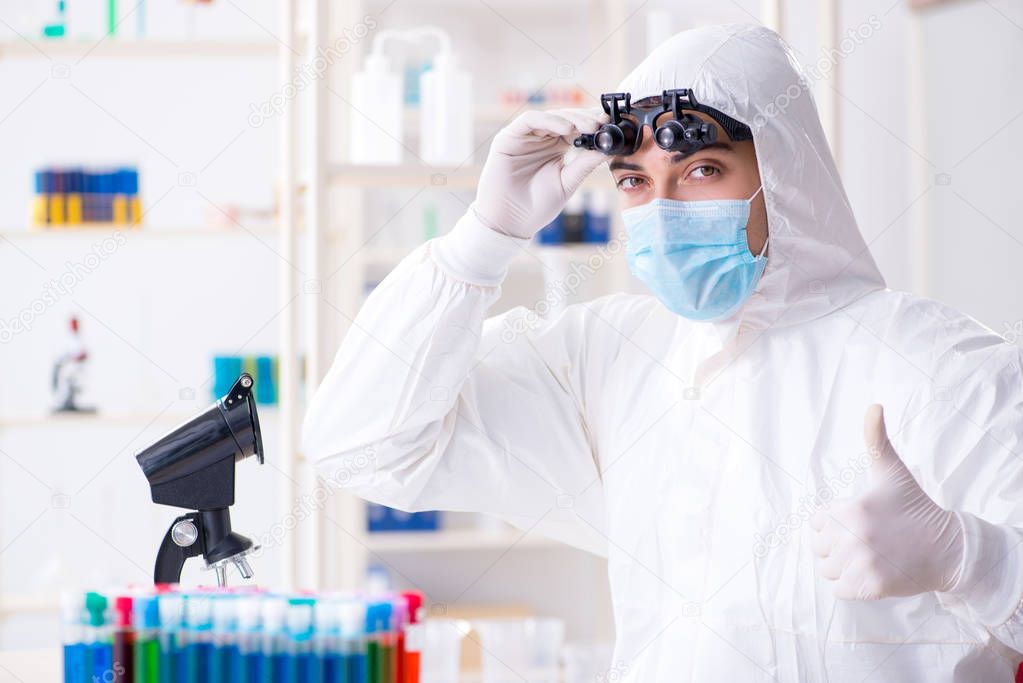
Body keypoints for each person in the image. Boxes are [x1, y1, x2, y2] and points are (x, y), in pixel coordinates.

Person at [303, 23, 1023, 681]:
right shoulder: (611, 357)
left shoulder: (942, 368)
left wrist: (970, 556)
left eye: (702, 170)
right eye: (635, 182)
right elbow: (362, 446)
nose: (666, 209)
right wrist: (483, 238)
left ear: (784, 172)